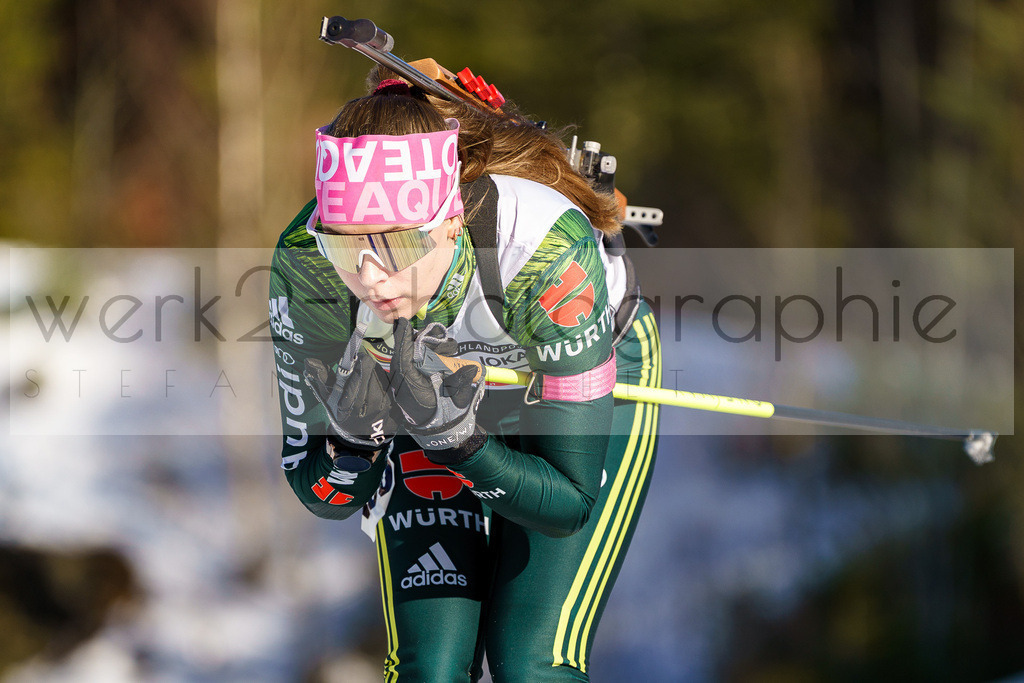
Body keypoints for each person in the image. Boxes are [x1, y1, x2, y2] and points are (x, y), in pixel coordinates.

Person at [270, 69, 661, 682]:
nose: (371, 278)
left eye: (396, 245)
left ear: (450, 218)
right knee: (434, 665)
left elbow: (568, 504)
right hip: (427, 389)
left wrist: (461, 443)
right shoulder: (307, 264)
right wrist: (354, 437)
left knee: (531, 662)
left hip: (562, 370)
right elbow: (319, 493)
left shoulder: (540, 250)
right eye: (347, 248)